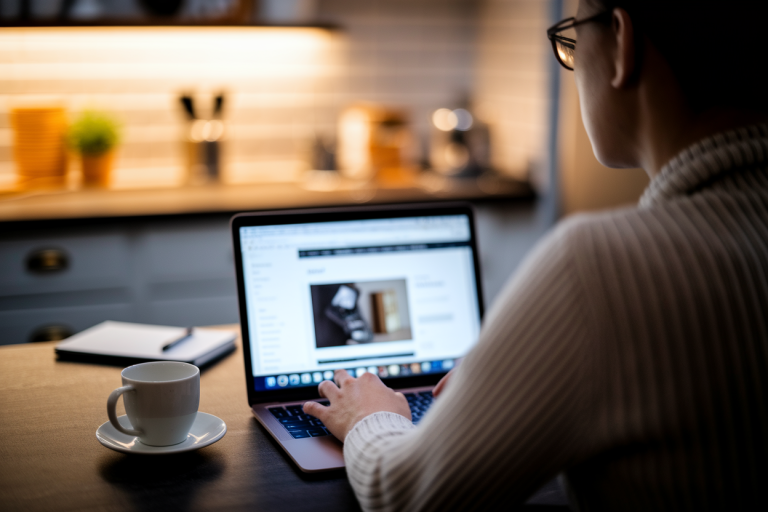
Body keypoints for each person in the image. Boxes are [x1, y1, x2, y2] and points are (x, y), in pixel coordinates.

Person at [303, 0, 768, 509]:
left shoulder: (598, 267)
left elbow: (407, 496)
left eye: (570, 42)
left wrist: (369, 415)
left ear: (621, 44)